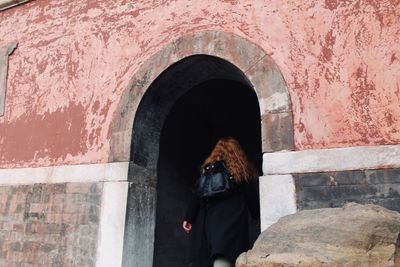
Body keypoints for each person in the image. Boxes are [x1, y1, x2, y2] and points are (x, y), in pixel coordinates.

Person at [182, 137, 260, 267]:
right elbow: (250, 196)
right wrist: (256, 216)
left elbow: (197, 194)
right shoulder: (241, 170)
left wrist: (189, 218)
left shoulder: (208, 170)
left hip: (212, 222)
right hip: (234, 221)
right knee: (230, 256)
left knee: (216, 254)